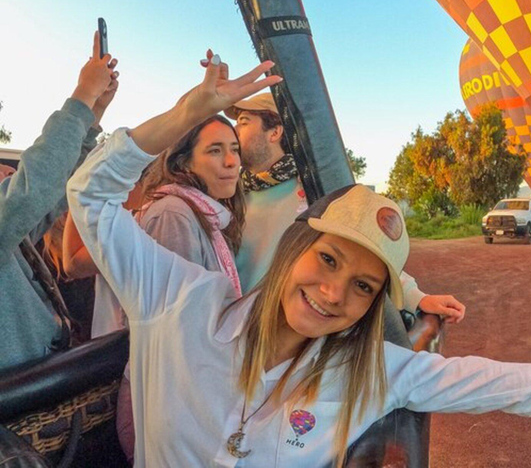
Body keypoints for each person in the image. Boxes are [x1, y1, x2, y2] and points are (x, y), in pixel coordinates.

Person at [67, 52, 531, 468]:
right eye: (326, 260)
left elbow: (493, 381)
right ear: (296, 246)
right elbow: (89, 195)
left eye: (363, 287)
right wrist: (186, 114)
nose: (333, 293)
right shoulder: (178, 303)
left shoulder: (371, 373)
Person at [64, 112, 247, 462]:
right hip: (168, 400)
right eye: (214, 150)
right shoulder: (174, 213)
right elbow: (178, 327)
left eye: (234, 149)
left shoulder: (203, 213)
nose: (230, 161)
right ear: (183, 162)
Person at [226, 92, 465, 345]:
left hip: (281, 336)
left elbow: (365, 248)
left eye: (243, 121)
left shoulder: (315, 191)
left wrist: (416, 297)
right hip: (230, 330)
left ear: (274, 132)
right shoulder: (228, 191)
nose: (234, 130)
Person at [0, 32, 117, 370]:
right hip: (18, 400)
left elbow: (50, 196)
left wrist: (91, 118)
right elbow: (28, 193)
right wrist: (81, 99)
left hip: (39, 374)